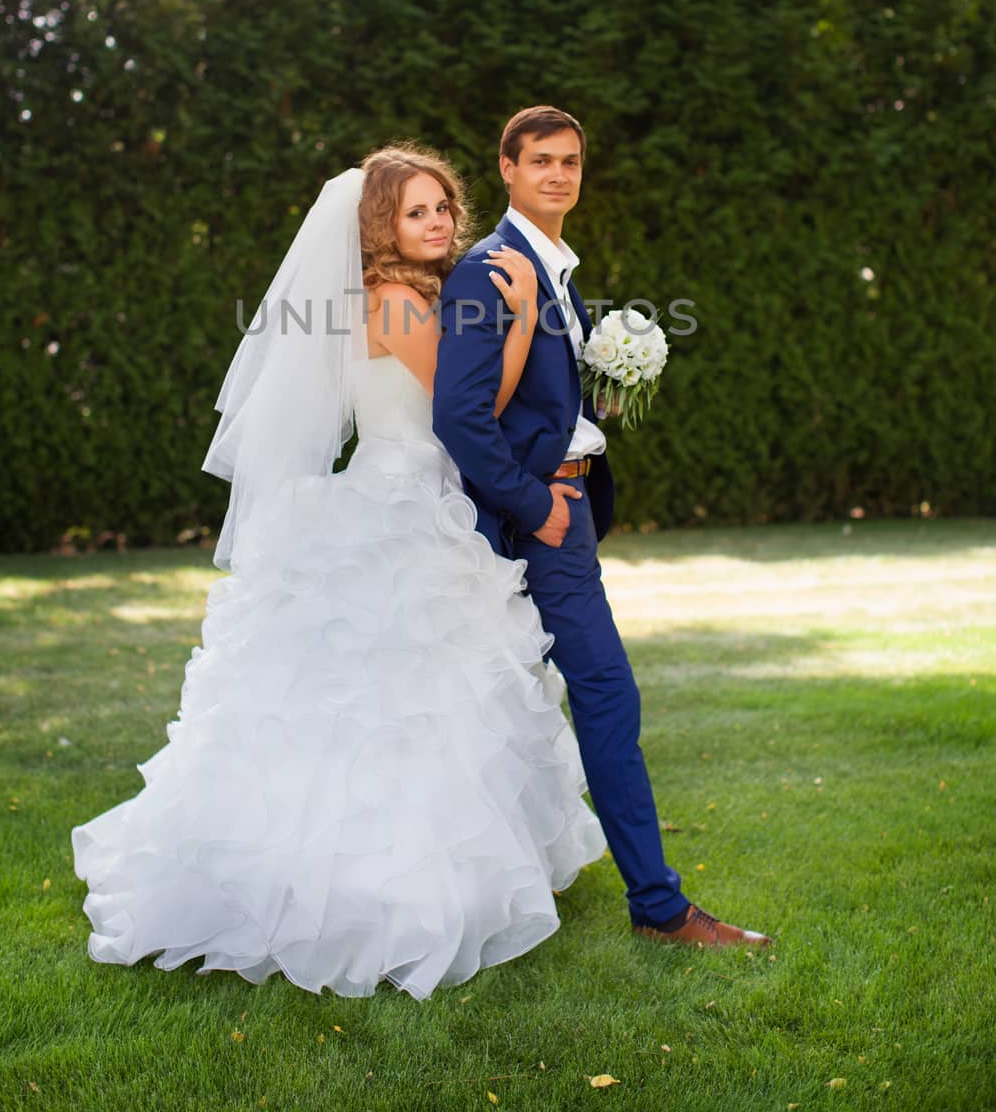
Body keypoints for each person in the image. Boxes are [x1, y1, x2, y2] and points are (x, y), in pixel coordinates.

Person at [71, 145, 606, 1000]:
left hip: (426, 499)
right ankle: (384, 890)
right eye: (414, 213)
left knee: (427, 699)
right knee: (396, 705)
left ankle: (452, 866)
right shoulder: (392, 301)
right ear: (378, 227)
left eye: (441, 208)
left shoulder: (420, 291)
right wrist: (524, 317)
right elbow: (470, 408)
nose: (435, 223)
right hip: (399, 509)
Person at [432, 106, 772, 949]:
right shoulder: (489, 271)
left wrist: (600, 393)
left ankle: (491, 888)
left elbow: (533, 398)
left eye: (571, 161)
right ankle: (658, 908)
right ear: (505, 169)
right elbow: (460, 417)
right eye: (540, 160)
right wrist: (535, 503)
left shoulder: (554, 267)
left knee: (509, 706)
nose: (558, 175)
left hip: (566, 507)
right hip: (537, 520)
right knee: (605, 695)